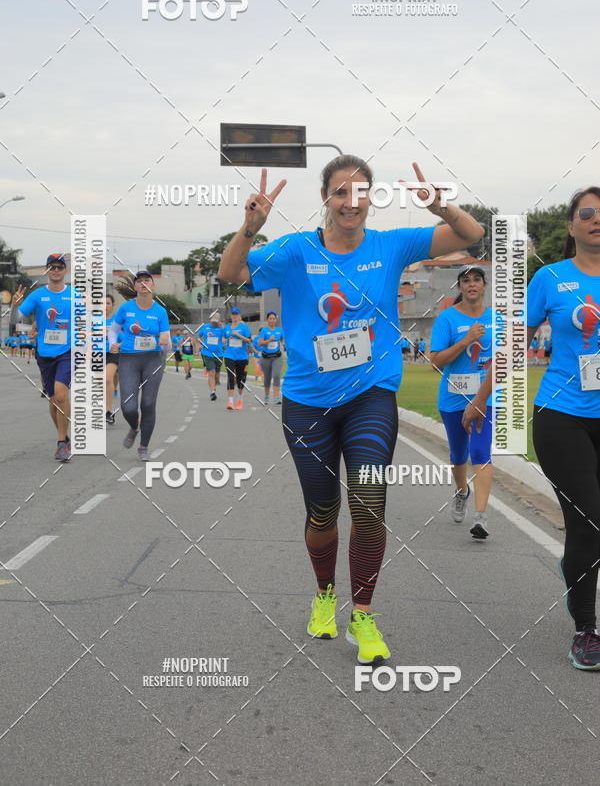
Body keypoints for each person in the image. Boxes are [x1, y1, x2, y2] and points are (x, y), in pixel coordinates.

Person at [219, 159, 483, 664]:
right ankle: (324, 594)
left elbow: (471, 234)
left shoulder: (392, 245)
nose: (350, 201)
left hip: (371, 395)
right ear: (325, 197)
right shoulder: (297, 250)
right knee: (323, 513)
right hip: (308, 403)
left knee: (367, 503)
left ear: (371, 198)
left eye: (360, 192)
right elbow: (231, 273)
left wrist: (438, 204)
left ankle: (363, 613)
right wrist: (249, 228)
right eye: (340, 192)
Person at [464, 187, 600, 670]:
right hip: (562, 416)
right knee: (589, 517)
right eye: (586, 213)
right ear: (570, 226)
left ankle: (576, 566)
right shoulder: (550, 278)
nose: (595, 220)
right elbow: (512, 343)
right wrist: (481, 399)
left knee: (592, 530)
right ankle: (586, 627)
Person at [429, 266, 500, 538]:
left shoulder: (497, 320)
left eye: (476, 280)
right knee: (459, 455)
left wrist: (485, 394)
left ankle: (480, 517)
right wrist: (467, 339)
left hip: (486, 397)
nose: (471, 285)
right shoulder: (446, 319)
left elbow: (502, 361)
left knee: (481, 452)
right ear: (459, 287)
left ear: (484, 285)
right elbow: (435, 361)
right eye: (466, 281)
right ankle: (462, 492)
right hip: (453, 398)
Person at [12, 254, 75, 461]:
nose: (55, 270)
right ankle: (64, 438)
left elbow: (85, 322)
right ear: (47, 271)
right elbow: (18, 319)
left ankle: (59, 444)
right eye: (52, 267)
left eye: (59, 267)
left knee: (60, 394)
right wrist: (15, 305)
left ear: (65, 270)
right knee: (53, 399)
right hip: (44, 353)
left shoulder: (75, 295)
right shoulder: (37, 295)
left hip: (67, 352)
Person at [108, 270, 170, 462]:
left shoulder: (160, 311)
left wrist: (165, 341)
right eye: (140, 281)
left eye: (147, 280)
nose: (143, 283)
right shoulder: (126, 309)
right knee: (128, 406)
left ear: (153, 285)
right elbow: (113, 330)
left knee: (148, 403)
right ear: (135, 287)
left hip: (153, 360)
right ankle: (135, 427)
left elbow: (166, 341)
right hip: (129, 359)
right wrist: (113, 343)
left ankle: (143, 447)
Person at [223, 307, 252, 410]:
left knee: (240, 379)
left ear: (239, 316)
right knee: (230, 377)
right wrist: (224, 340)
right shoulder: (226, 327)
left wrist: (238, 335)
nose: (234, 316)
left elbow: (249, 341)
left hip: (242, 357)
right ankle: (230, 402)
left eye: (236, 314)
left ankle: (239, 399)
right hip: (229, 355)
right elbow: (223, 338)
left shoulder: (244, 327)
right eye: (233, 314)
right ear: (231, 316)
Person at [258, 312, 285, 405]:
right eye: (270, 318)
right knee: (267, 378)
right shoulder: (264, 331)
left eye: (273, 318)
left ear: (276, 320)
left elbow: (282, 339)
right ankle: (266, 396)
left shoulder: (280, 330)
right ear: (267, 320)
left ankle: (277, 397)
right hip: (266, 357)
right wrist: (269, 340)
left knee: (277, 375)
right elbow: (260, 343)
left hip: (277, 357)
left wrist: (283, 343)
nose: (272, 320)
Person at [198, 313, 226, 400]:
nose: (214, 323)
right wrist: (201, 343)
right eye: (212, 321)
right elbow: (198, 336)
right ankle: (212, 393)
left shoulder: (221, 329)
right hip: (207, 353)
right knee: (211, 372)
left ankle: (215, 384)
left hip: (219, 354)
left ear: (219, 321)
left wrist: (223, 327)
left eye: (216, 322)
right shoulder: (205, 327)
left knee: (217, 376)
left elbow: (227, 337)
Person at [105, 294, 120, 425]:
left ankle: (108, 411)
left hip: (112, 353)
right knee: (99, 384)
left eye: (108, 303)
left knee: (108, 379)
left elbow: (126, 337)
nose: (105, 306)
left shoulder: (117, 321)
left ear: (112, 305)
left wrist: (117, 345)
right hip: (95, 354)